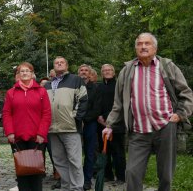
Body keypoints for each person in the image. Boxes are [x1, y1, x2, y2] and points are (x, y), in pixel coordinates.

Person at [102, 33, 193, 191]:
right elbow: (118, 103)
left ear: (155, 48)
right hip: (138, 131)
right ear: (136, 48)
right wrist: (109, 125)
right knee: (132, 172)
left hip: (165, 127)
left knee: (165, 174)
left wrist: (180, 114)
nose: (143, 46)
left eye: (147, 43)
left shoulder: (167, 66)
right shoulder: (127, 71)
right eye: (139, 44)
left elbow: (186, 93)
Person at [2, 62, 52, 191]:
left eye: (27, 71)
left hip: (37, 138)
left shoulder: (41, 91)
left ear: (32, 74)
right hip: (17, 137)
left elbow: (46, 113)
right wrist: (10, 133)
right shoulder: (11, 92)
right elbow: (6, 114)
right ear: (18, 75)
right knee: (22, 171)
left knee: (36, 171)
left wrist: (42, 133)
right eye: (21, 71)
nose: (24, 73)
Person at [44, 56, 88, 191]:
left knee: (75, 161)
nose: (59, 64)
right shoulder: (47, 85)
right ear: (53, 66)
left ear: (67, 66)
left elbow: (84, 100)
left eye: (61, 62)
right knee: (58, 160)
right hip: (52, 129)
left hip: (70, 127)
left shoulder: (76, 80)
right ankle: (66, 186)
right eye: (56, 63)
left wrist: (75, 117)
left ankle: (76, 188)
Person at [96, 64, 126, 184]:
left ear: (114, 73)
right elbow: (97, 103)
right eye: (104, 70)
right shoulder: (99, 86)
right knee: (104, 150)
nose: (107, 72)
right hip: (101, 123)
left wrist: (111, 122)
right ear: (101, 73)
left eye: (109, 70)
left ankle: (121, 177)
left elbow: (121, 105)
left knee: (118, 151)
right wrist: (99, 117)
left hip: (116, 124)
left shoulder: (119, 85)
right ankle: (108, 175)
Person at [78, 64, 102, 190]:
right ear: (78, 73)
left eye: (86, 70)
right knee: (73, 152)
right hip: (75, 123)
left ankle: (87, 179)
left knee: (89, 152)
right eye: (81, 70)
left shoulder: (95, 88)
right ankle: (74, 178)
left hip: (90, 123)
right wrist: (78, 119)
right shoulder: (74, 86)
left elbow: (97, 108)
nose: (83, 72)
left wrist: (84, 119)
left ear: (89, 73)